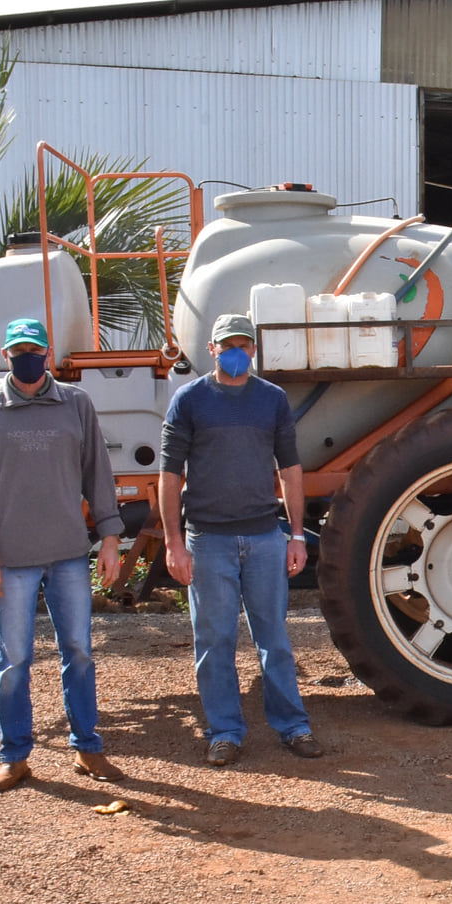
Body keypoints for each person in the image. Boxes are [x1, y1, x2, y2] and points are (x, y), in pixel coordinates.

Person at [0, 318, 127, 792]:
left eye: (33, 348)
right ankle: (14, 757)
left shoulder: (75, 403)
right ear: (5, 355)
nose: (26, 357)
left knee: (79, 651)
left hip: (70, 554)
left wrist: (110, 539)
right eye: (17, 350)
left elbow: (98, 475)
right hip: (11, 558)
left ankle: (87, 748)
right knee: (13, 659)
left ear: (47, 354)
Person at [160, 314, 322, 766]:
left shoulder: (271, 399)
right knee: (214, 642)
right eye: (228, 344)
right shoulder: (189, 400)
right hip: (209, 540)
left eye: (244, 345)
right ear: (211, 349)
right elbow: (170, 474)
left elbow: (290, 469)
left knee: (275, 640)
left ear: (254, 350)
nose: (237, 352)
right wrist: (174, 542)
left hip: (265, 538)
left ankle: (294, 726)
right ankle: (224, 732)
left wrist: (295, 534)